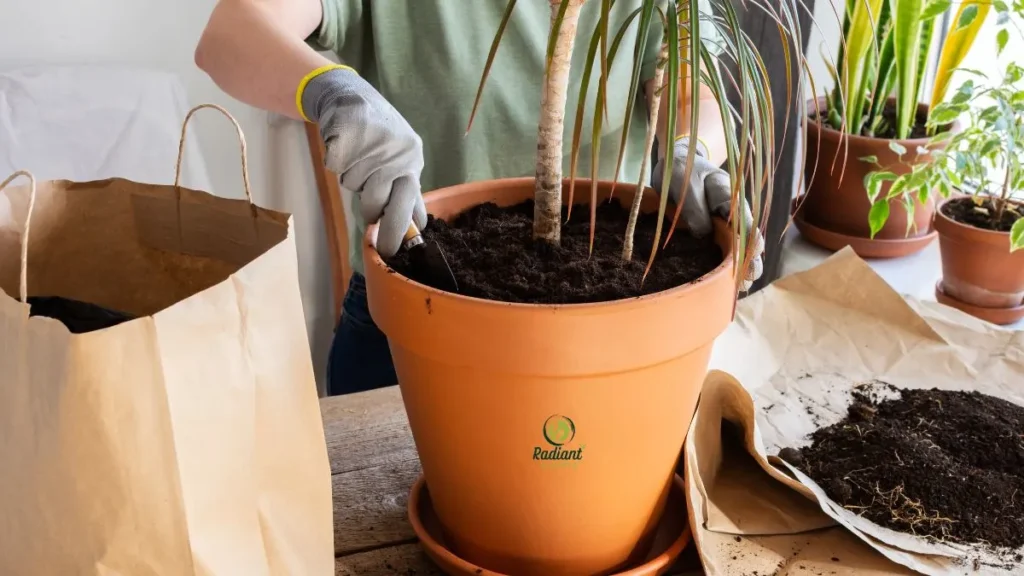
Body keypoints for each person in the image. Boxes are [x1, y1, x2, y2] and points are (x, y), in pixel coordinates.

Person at [195, 0, 765, 397]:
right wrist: (332, 92)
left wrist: (693, 147)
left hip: (616, 330)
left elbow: (690, 80)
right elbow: (231, 31)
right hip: (412, 319)